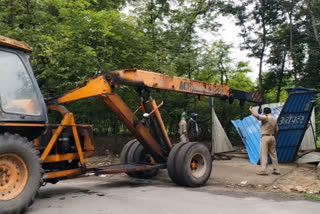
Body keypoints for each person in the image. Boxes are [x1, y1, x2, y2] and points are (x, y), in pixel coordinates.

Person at [249, 106, 280, 176]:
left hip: (265, 137)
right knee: (273, 154)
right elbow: (277, 130)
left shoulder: (266, 117)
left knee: (263, 154)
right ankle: (276, 170)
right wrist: (273, 136)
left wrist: (251, 110)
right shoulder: (274, 119)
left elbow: (257, 116)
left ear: (264, 112)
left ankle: (263, 170)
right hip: (272, 137)